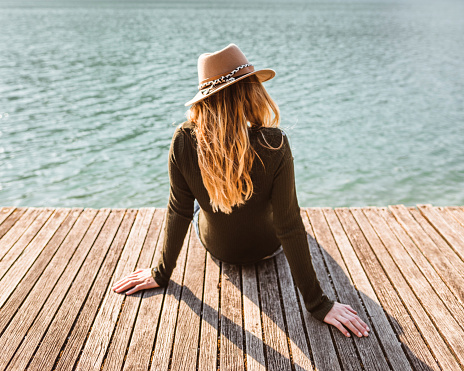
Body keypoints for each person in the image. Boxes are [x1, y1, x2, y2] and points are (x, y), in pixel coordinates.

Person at [112, 44, 370, 338]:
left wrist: (160, 272)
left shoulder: (183, 140)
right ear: (250, 92)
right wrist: (318, 304)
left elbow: (179, 210)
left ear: (205, 99)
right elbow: (289, 226)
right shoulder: (275, 143)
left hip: (220, 249)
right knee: (285, 214)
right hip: (269, 247)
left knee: (196, 206)